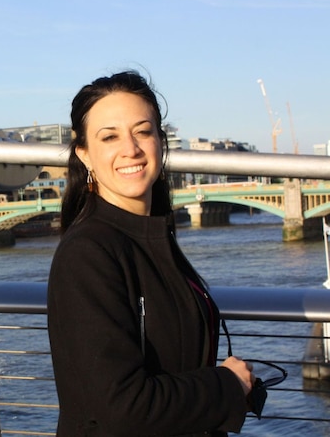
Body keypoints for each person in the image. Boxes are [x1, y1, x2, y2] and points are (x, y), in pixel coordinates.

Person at [46, 71, 254, 436]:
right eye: (109, 137)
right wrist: (227, 385)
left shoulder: (154, 238)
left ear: (160, 140)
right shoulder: (87, 254)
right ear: (85, 155)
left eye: (143, 131)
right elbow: (122, 407)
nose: (131, 148)